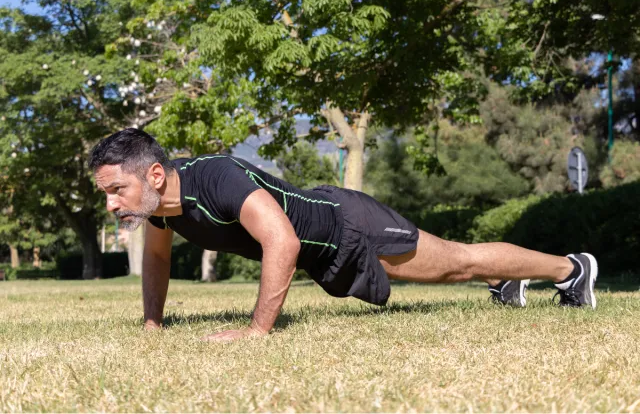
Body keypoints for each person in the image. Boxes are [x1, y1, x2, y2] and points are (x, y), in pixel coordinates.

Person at [89, 128, 598, 342]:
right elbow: (156, 262)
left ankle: (572, 270)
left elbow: (282, 242)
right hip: (326, 251)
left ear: (154, 175)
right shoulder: (160, 209)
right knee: (452, 270)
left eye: (117, 190)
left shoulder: (216, 178)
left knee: (458, 261)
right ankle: (504, 284)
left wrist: (256, 330)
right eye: (107, 193)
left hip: (348, 224)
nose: (112, 204)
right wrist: (152, 324)